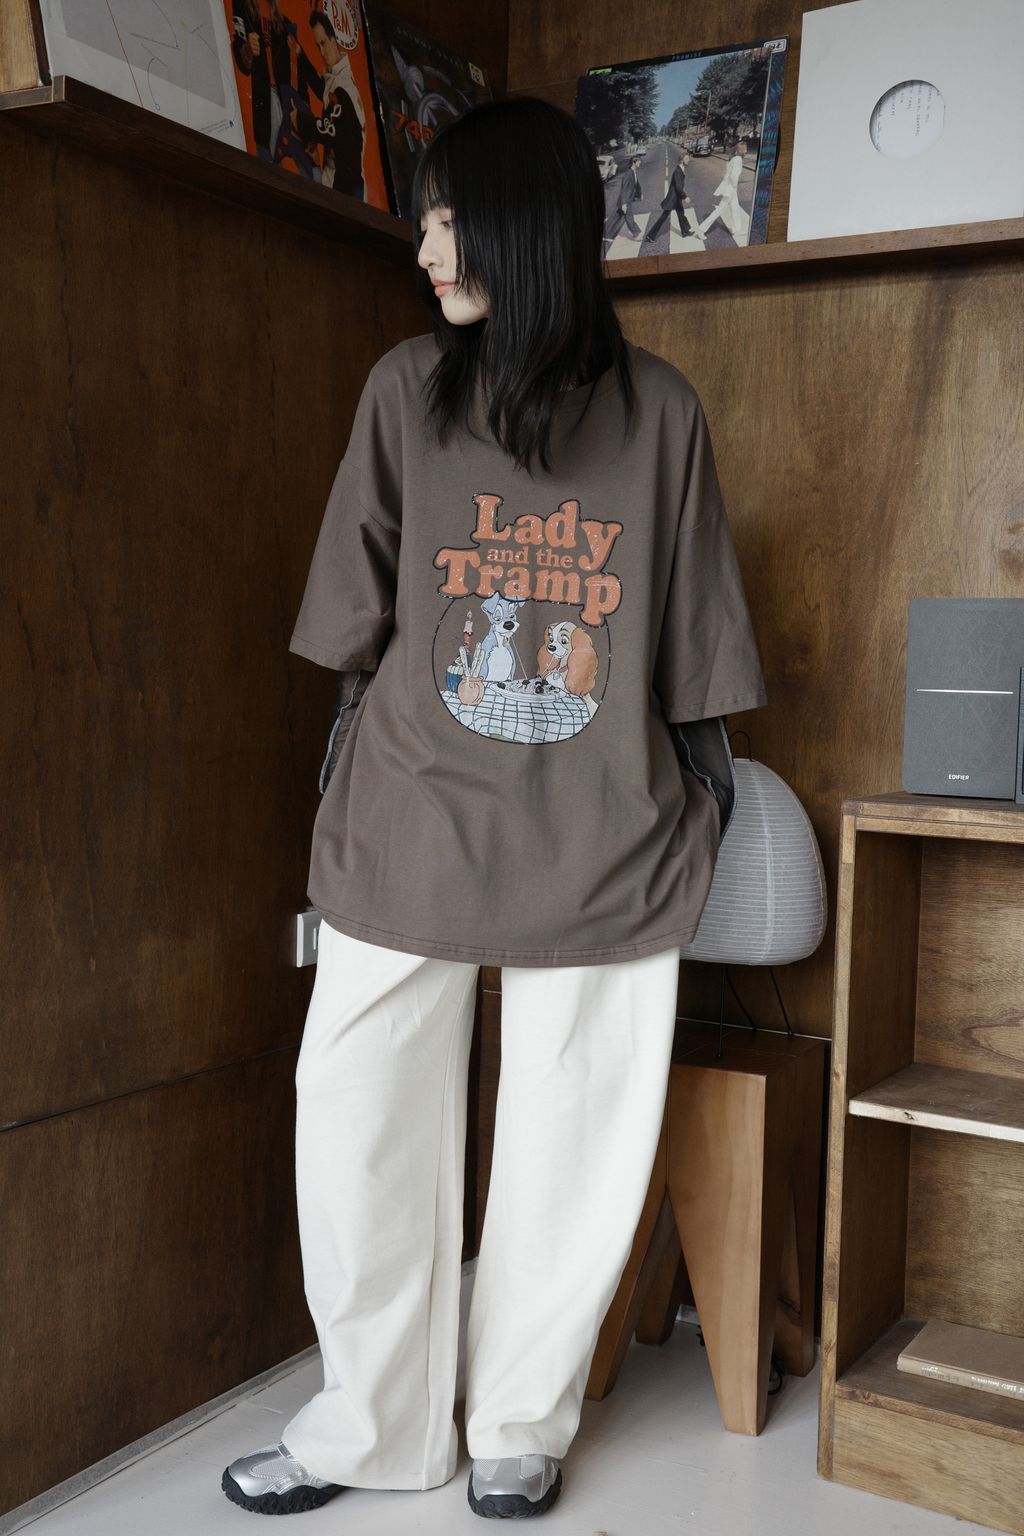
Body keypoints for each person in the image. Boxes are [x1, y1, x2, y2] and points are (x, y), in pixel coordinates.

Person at [221, 95, 766, 1520]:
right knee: (357, 1123)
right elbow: (353, 623)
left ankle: (520, 1421)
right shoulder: (405, 390)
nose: (423, 249)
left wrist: (695, 816)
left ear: (525, 228)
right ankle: (374, 1427)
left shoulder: (663, 415)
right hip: (410, 821)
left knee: (572, 1136)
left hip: (600, 831)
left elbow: (698, 662)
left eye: (447, 218)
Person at [698, 141, 752, 245]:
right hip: (731, 189)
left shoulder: (733, 158)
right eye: (745, 148)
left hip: (730, 188)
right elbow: (733, 176)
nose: (746, 150)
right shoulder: (738, 159)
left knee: (735, 209)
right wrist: (734, 187)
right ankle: (701, 229)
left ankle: (737, 230)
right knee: (720, 210)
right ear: (741, 150)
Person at [642, 149, 695, 246]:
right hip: (673, 199)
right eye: (687, 159)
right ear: (682, 160)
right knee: (663, 217)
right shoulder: (678, 171)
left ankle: (685, 231)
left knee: (681, 214)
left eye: (688, 158)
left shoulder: (681, 169)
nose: (689, 160)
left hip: (676, 198)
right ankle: (650, 236)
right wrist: (685, 196)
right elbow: (678, 187)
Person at [603, 153, 644, 242]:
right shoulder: (628, 174)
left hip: (626, 200)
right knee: (629, 217)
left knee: (614, 217)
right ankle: (636, 234)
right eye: (639, 161)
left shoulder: (633, 173)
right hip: (626, 200)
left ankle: (606, 234)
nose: (640, 163)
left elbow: (636, 185)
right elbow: (624, 189)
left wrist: (640, 194)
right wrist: (624, 203)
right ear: (634, 163)